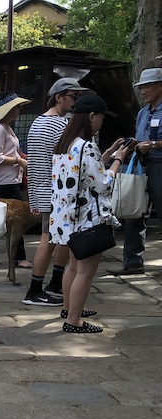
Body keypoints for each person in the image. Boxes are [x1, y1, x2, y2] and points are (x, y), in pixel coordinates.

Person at [51, 94, 130, 333]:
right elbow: (103, 183)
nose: (102, 121)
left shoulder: (66, 143)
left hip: (69, 218)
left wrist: (107, 153)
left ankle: (69, 308)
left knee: (73, 267)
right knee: (85, 271)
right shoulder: (87, 146)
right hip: (88, 218)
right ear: (92, 116)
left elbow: (84, 172)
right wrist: (118, 159)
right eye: (102, 117)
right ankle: (73, 320)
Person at [24, 77, 88, 307]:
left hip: (42, 188)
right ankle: (35, 289)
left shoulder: (38, 123)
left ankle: (54, 283)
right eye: (73, 96)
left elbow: (32, 163)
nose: (76, 101)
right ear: (59, 97)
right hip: (58, 190)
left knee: (60, 238)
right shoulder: (62, 125)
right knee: (49, 240)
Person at [0, 93, 33, 268]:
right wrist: (18, 160)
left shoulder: (5, 127)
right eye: (17, 107)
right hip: (3, 180)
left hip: (8, 178)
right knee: (17, 219)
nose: (19, 110)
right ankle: (19, 256)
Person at [120, 67, 162, 275]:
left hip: (159, 166)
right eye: (141, 87)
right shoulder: (142, 113)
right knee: (133, 212)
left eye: (147, 86)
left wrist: (153, 144)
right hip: (140, 166)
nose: (143, 91)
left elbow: (152, 142)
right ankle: (132, 262)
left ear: (160, 86)